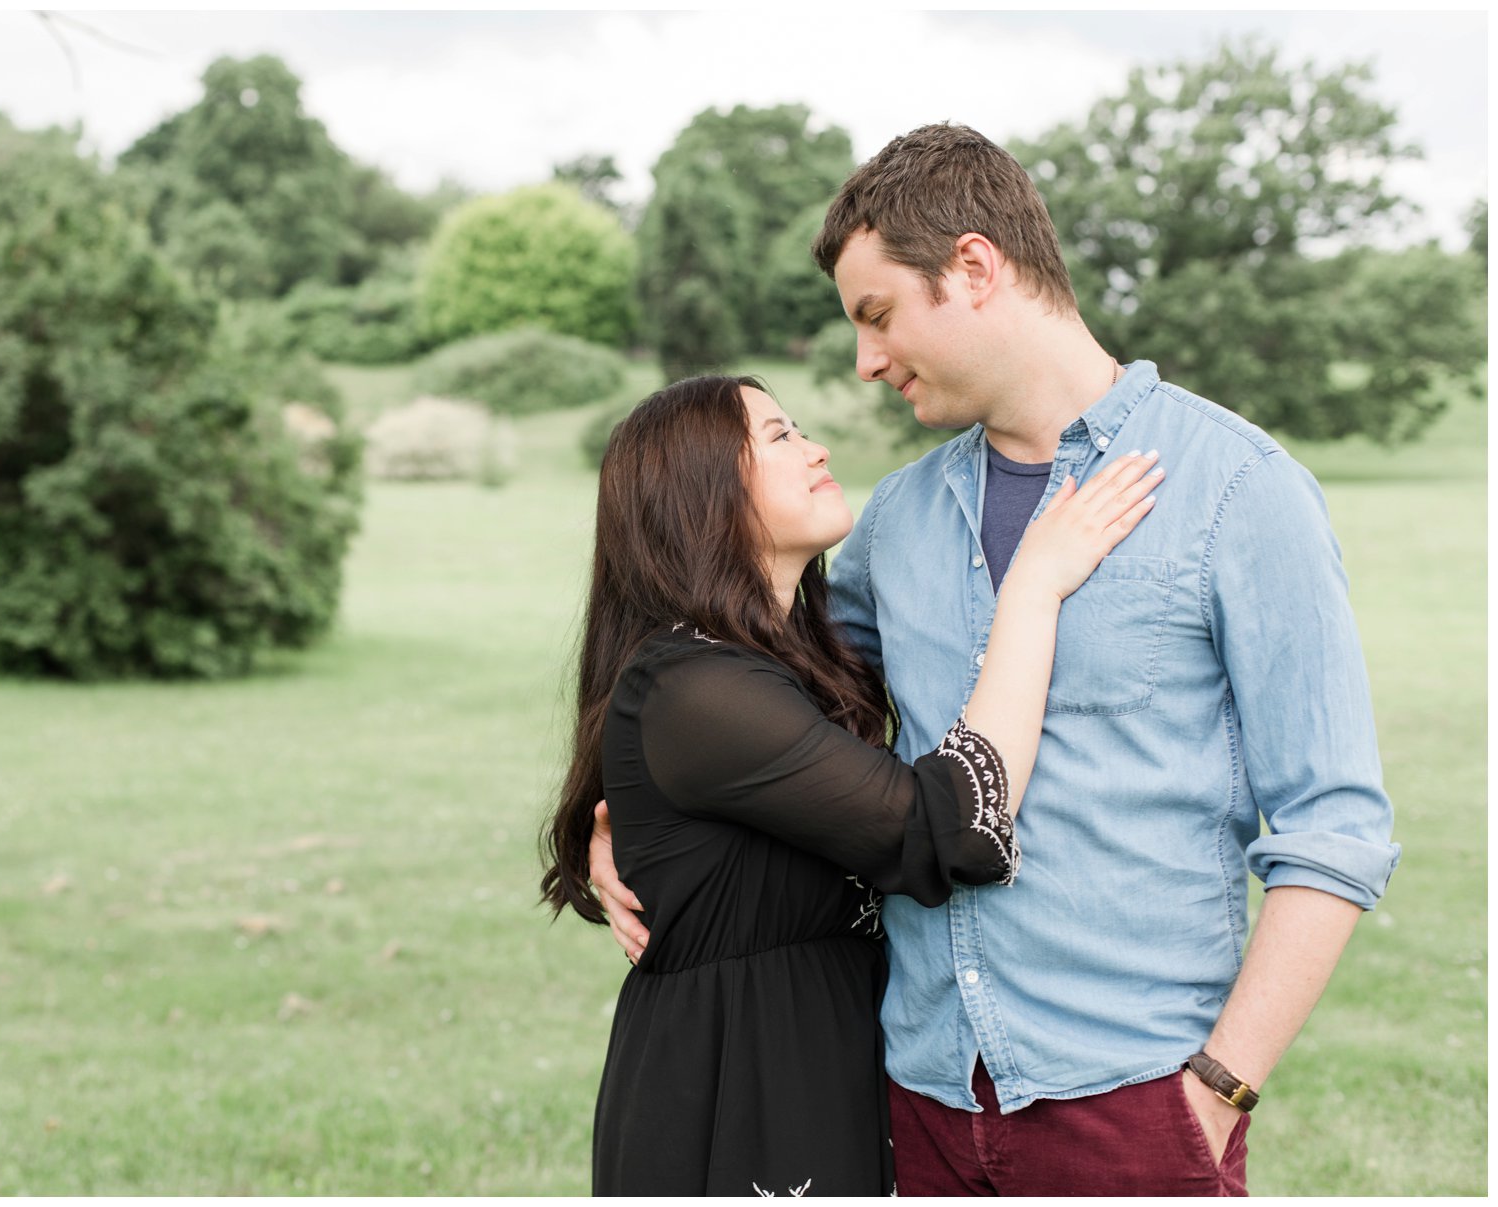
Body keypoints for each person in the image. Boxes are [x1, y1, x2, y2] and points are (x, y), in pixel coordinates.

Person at [591, 123, 1400, 1196]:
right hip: (913, 1099)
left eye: (877, 317)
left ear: (974, 267)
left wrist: (1215, 1092)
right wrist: (624, 823)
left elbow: (1334, 830)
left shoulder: (1240, 493)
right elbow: (759, 700)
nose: (868, 361)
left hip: (1132, 1101)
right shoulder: (899, 519)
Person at [542, 373, 1162, 1195]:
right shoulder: (695, 688)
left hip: (831, 1059)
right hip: (741, 1091)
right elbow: (946, 829)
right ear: (695, 490)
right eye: (778, 436)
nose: (816, 447)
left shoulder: (773, 657)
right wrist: (1034, 587)